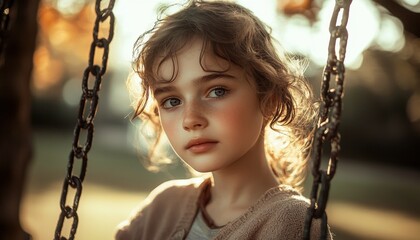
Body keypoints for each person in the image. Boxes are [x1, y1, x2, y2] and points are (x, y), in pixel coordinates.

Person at [116, 0, 332, 239]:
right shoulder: (162, 207)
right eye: (172, 101)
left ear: (269, 98)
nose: (190, 119)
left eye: (217, 91)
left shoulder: (292, 222)